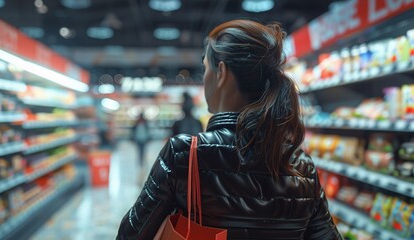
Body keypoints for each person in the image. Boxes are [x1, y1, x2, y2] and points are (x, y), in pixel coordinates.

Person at [117, 20, 342, 239]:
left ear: (221, 72)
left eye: (205, 67)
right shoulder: (301, 167)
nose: (204, 78)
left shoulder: (186, 154)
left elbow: (130, 234)